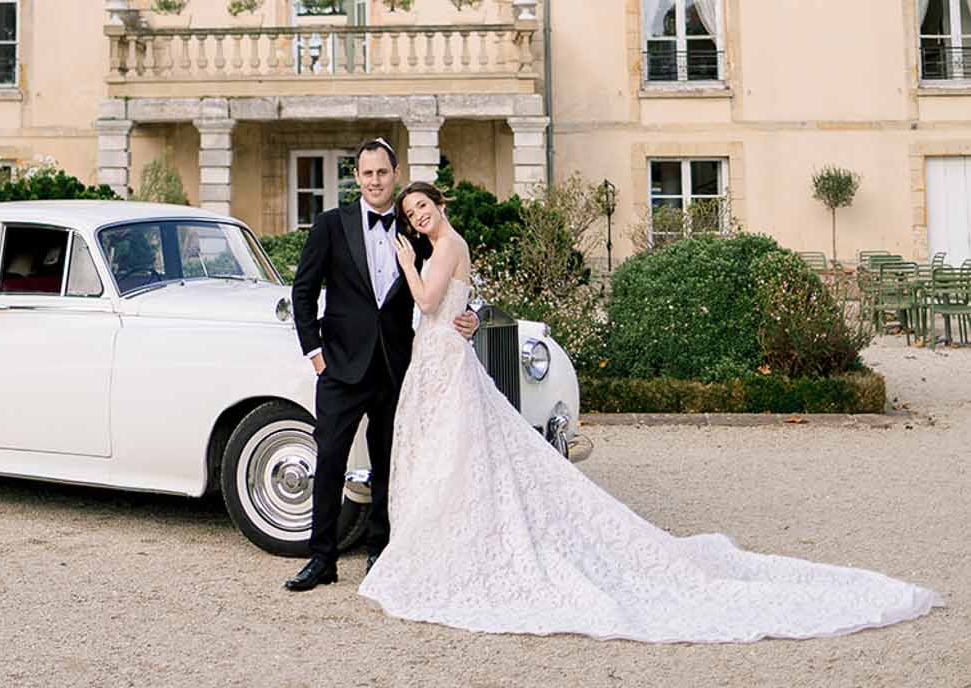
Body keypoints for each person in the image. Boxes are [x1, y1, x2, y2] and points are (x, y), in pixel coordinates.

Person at [358, 181, 944, 641]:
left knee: (458, 450)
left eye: (421, 207)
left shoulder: (439, 246)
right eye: (409, 215)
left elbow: (429, 298)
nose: (416, 217)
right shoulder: (444, 247)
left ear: (438, 204)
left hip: (443, 360)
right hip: (437, 357)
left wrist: (403, 257)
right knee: (453, 453)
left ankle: (457, 547)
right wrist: (462, 305)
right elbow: (462, 300)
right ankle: (446, 537)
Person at [284, 139, 478, 593]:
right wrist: (315, 354)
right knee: (330, 459)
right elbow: (303, 291)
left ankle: (381, 550)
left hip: (397, 366)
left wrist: (473, 314)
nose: (375, 181)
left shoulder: (416, 228)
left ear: (395, 173)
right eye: (367, 174)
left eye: (383, 173)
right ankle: (321, 559)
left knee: (390, 462)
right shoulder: (331, 225)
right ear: (357, 177)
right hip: (340, 366)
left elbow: (454, 276)